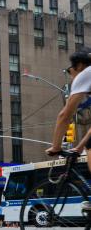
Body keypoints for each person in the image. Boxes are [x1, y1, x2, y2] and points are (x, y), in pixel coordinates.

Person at [45, 48, 91, 211]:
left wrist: (56, 146)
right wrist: (79, 147)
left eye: (69, 70)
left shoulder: (85, 74)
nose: (70, 74)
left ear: (78, 66)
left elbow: (64, 116)